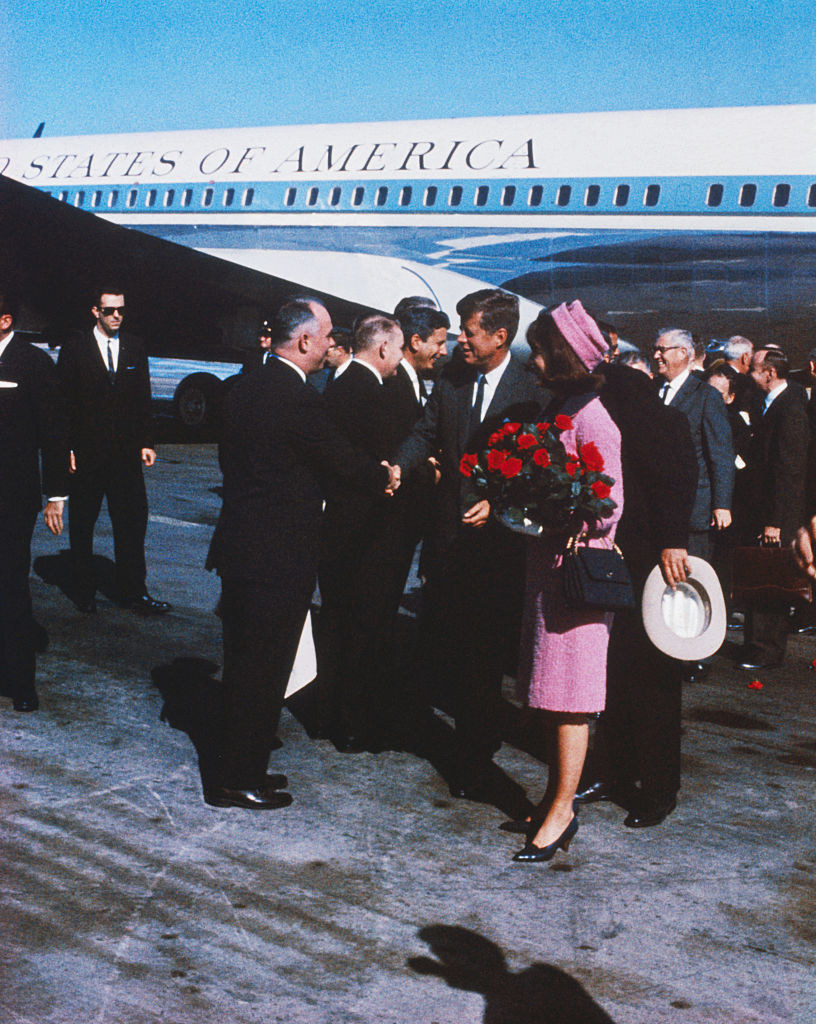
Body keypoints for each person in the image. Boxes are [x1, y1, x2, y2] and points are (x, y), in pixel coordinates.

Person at [204, 298, 398, 810]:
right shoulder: (297, 397)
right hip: (277, 556)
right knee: (261, 670)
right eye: (329, 335)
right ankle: (235, 779)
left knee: (247, 665)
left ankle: (242, 766)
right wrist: (385, 474)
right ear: (306, 341)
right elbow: (339, 459)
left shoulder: (244, 388)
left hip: (242, 546)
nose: (334, 344)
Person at [394, 288, 543, 797]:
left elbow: (542, 471)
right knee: (448, 645)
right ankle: (457, 733)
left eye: (470, 331)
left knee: (484, 654)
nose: (461, 339)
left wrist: (502, 507)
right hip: (449, 540)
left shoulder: (531, 394)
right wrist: (399, 463)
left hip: (501, 549)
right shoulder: (454, 381)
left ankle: (474, 755)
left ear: (500, 337)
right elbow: (426, 433)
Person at [509, 302, 623, 863]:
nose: (532, 359)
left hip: (577, 573)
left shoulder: (593, 416)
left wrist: (560, 509)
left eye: (539, 349)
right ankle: (557, 797)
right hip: (552, 567)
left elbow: (609, 504)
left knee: (572, 697)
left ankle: (562, 809)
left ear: (562, 357)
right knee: (554, 694)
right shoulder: (565, 407)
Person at [575, 353, 698, 829]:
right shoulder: (625, 413)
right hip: (619, 560)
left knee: (653, 679)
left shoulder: (658, 421)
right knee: (615, 673)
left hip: (654, 564)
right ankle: (615, 772)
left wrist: (673, 540)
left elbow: (677, 479)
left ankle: (660, 787)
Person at [317, 314, 406, 749]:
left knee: (336, 622)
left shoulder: (341, 382)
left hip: (336, 527)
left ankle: (331, 711)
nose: (402, 357)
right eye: (401, 348)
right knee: (359, 626)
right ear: (385, 348)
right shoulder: (370, 392)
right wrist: (388, 476)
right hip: (362, 530)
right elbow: (376, 458)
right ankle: (350, 721)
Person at [56, 288, 170, 615]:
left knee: (132, 524)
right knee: (83, 525)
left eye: (121, 310)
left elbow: (143, 399)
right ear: (95, 311)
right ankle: (83, 590)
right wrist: (67, 449)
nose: (116, 316)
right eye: (109, 311)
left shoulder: (135, 347)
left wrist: (147, 442)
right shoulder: (75, 348)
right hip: (88, 455)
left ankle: (135, 592)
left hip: (124, 457)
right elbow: (63, 405)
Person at [0, 291, 69, 712]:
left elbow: (54, 433)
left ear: (4, 319)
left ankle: (20, 681)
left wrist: (56, 495)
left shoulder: (33, 363)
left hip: (11, 497)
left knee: (10, 585)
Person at [654, 328, 734, 681]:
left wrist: (722, 503)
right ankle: (666, 651)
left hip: (697, 507)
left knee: (692, 583)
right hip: (662, 506)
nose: (657, 356)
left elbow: (720, 453)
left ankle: (695, 655)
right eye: (654, 350)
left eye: (663, 350)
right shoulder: (654, 393)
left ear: (685, 354)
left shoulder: (705, 397)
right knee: (665, 584)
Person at [738, 346, 809, 670]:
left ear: (769, 373)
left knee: (770, 581)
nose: (749, 374)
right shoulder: (773, 402)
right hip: (764, 510)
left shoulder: (790, 409)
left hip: (775, 515)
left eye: (753, 369)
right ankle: (756, 645)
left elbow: (788, 469)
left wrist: (776, 522)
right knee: (760, 577)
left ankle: (766, 650)